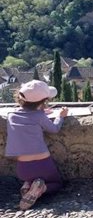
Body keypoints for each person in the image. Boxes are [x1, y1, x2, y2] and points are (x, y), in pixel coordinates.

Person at [5, 80, 68, 210]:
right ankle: (41, 188)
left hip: (23, 168)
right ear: (43, 102)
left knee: (29, 178)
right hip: (43, 163)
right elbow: (54, 129)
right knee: (57, 183)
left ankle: (28, 185)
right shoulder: (39, 116)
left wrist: (40, 112)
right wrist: (61, 116)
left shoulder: (11, 116)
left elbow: (27, 115)